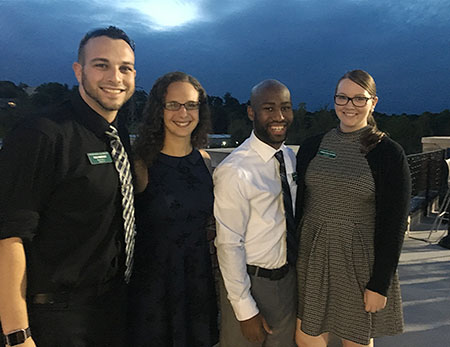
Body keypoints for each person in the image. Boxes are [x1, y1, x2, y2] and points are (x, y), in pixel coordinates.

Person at [0, 26, 136, 347]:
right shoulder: (42, 134)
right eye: (101, 64)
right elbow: (8, 234)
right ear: (79, 71)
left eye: (125, 68)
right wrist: (17, 334)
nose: (115, 77)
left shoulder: (118, 137)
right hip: (54, 317)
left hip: (110, 311)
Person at [295, 69, 411, 347]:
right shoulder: (312, 146)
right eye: (343, 98)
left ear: (373, 102)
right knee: (306, 337)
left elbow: (393, 225)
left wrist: (379, 284)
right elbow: (300, 205)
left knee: (354, 339)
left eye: (359, 99)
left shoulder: (388, 153)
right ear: (334, 100)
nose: (349, 106)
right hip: (312, 258)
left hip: (358, 262)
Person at [127, 71, 219, 347]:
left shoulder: (203, 161)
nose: (183, 113)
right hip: (154, 292)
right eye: (173, 105)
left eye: (191, 105)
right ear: (159, 110)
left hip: (197, 284)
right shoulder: (140, 165)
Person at [214, 79, 298, 346]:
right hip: (251, 282)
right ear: (252, 113)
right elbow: (228, 244)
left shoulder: (289, 158)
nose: (279, 117)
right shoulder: (235, 170)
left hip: (287, 282)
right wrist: (244, 309)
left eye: (285, 108)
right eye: (269, 108)